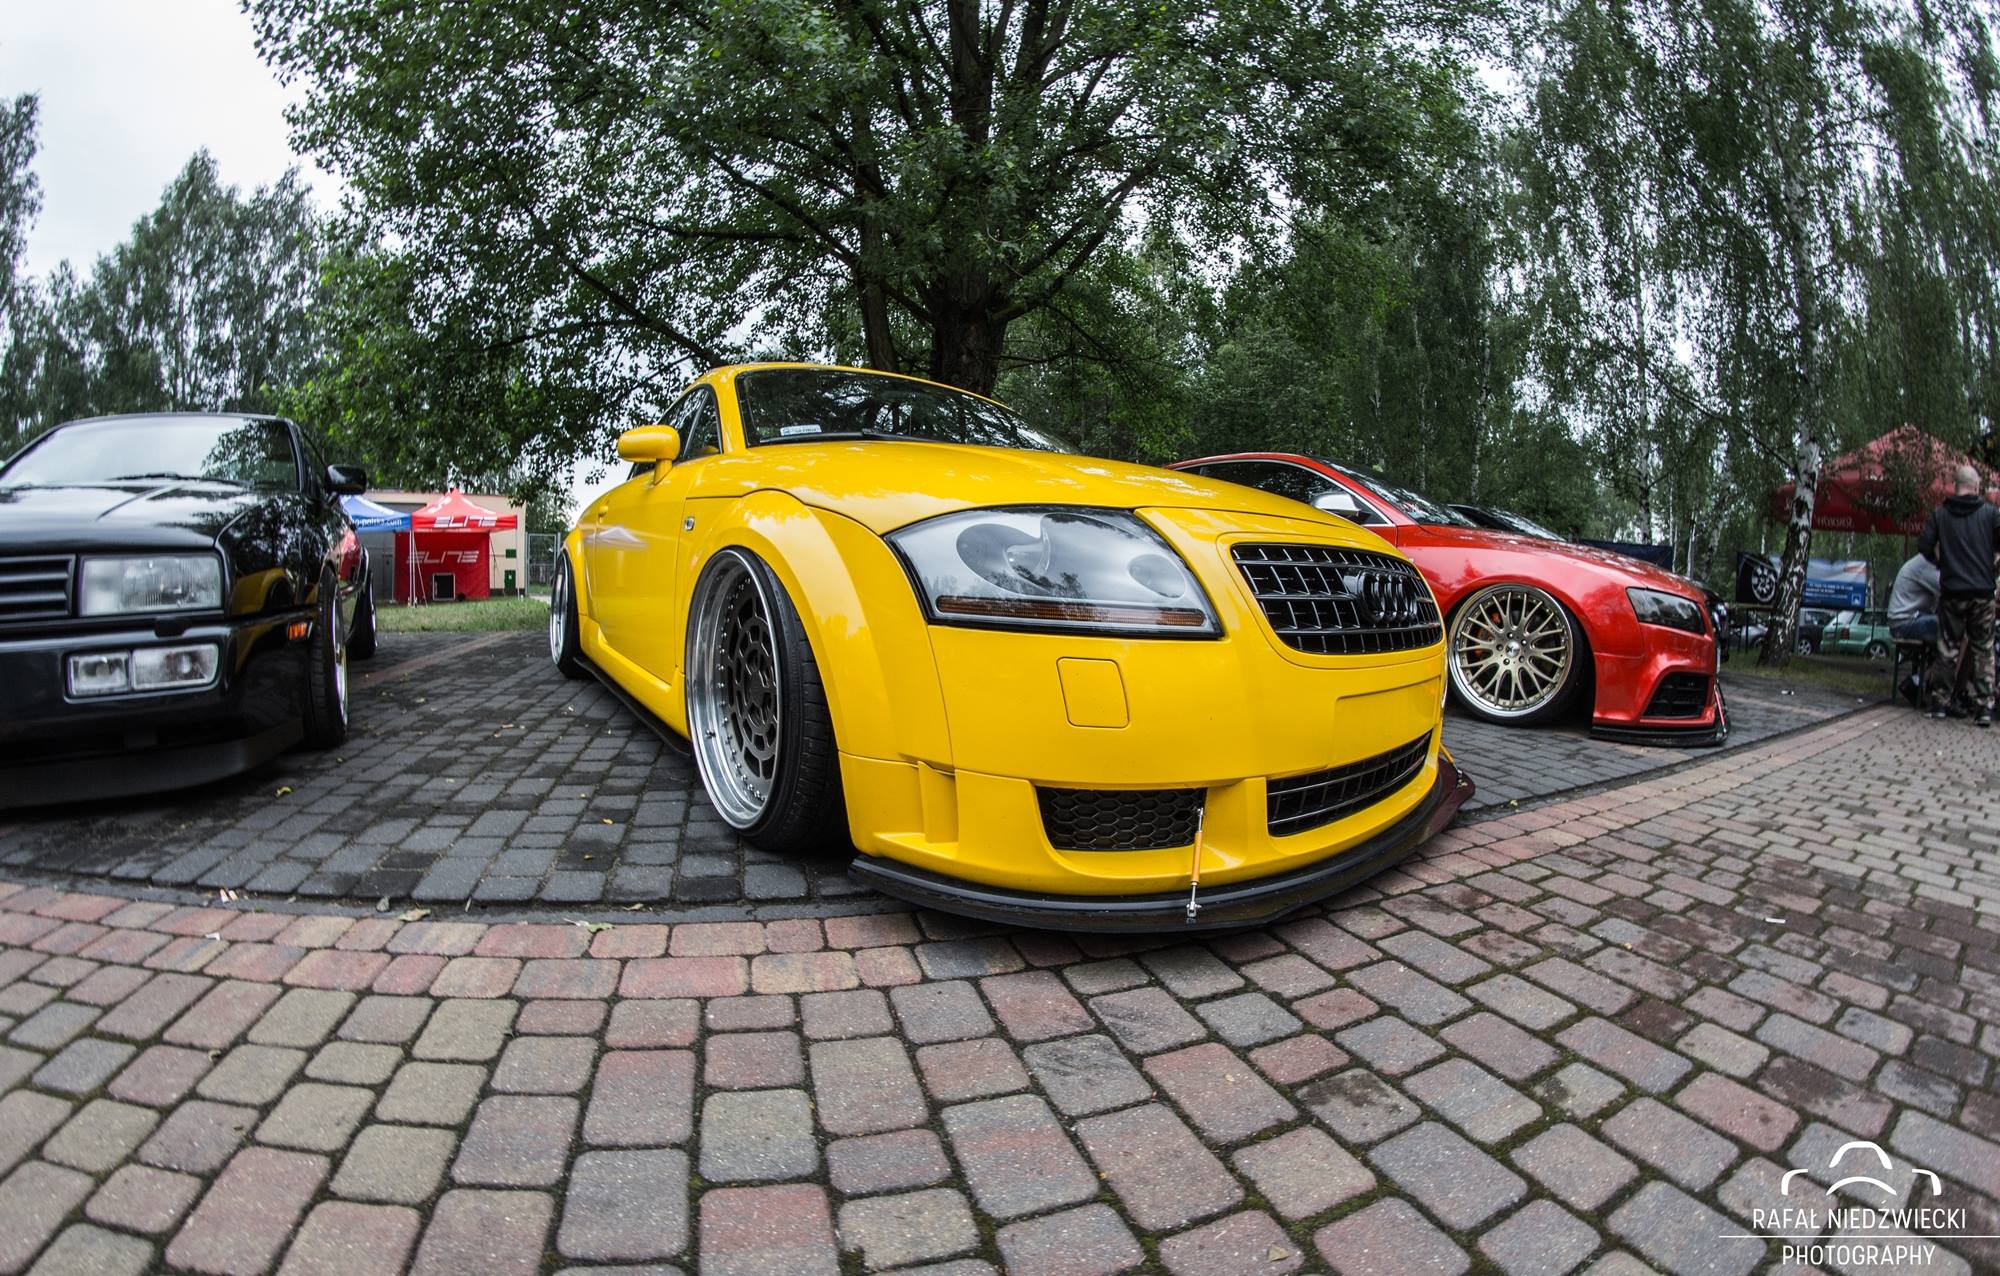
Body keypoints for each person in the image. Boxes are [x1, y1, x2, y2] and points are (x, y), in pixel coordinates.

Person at [1916, 463, 2000, 726]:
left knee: (1947, 648)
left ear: (1955, 486)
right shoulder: (1991, 514)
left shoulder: (1940, 514)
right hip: (1982, 592)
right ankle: (1984, 708)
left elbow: (1924, 546)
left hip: (1952, 591)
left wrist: (1941, 562)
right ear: (1976, 486)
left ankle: (1940, 702)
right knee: (1983, 648)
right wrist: (1993, 567)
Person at [1886, 552, 1940, 707]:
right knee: (1955, 630)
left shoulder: (1923, 563)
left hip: (1905, 620)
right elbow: (1950, 589)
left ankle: (1919, 681)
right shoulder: (1926, 565)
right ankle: (1920, 683)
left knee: (1954, 632)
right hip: (1905, 622)